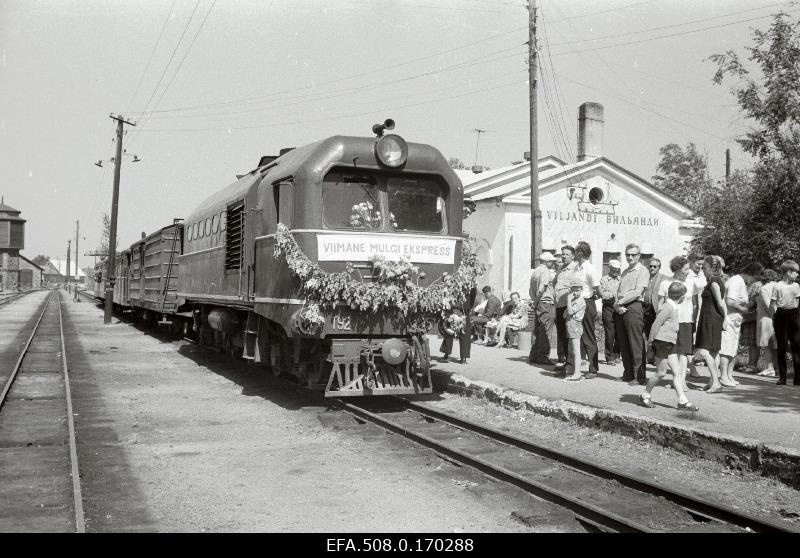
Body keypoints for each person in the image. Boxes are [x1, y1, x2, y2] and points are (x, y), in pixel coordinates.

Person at [640, 281, 699, 411]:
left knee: (677, 372)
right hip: (661, 343)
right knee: (661, 373)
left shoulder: (672, 307)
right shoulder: (667, 308)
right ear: (682, 297)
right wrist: (650, 344)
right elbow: (656, 325)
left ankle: (682, 401)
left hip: (670, 343)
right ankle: (645, 394)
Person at [657, 256, 698, 392]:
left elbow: (694, 303)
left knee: (683, 352)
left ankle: (682, 382)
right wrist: (660, 319)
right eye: (685, 269)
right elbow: (660, 303)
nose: (688, 271)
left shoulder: (691, 283)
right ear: (677, 269)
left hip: (686, 321)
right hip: (670, 322)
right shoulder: (665, 283)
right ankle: (676, 379)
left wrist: (694, 319)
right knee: (672, 351)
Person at [719, 263, 763, 387]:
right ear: (751, 274)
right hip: (729, 319)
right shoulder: (736, 282)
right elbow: (730, 301)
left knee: (733, 348)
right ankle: (723, 376)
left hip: (736, 320)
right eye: (755, 278)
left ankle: (729, 375)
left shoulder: (741, 282)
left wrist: (750, 304)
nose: (755, 281)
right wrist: (742, 309)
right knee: (726, 348)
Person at [614, 243, 650, 385]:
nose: (630, 257)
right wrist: (618, 305)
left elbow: (637, 292)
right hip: (621, 307)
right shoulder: (625, 271)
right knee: (623, 342)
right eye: (628, 254)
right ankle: (628, 373)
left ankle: (639, 376)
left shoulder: (643, 271)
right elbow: (618, 291)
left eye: (633, 255)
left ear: (639, 255)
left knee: (636, 343)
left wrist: (620, 302)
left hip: (634, 306)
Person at [694, 255, 726, 393]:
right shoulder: (714, 280)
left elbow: (720, 302)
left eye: (705, 267)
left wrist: (725, 319)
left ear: (712, 268)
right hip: (709, 317)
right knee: (714, 352)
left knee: (705, 351)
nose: (702, 269)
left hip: (711, 319)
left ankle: (716, 383)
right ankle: (712, 381)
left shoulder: (714, 282)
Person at [572, 241, 602, 378]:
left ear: (580, 253)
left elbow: (598, 290)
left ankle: (593, 369)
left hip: (587, 303)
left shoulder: (590, 269)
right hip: (576, 304)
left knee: (589, 336)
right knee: (577, 335)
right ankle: (577, 366)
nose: (574, 254)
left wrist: (590, 301)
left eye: (575, 252)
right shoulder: (577, 268)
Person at [770, 260, 800, 386]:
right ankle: (782, 377)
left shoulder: (797, 286)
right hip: (781, 315)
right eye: (795, 272)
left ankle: (797, 378)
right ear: (788, 272)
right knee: (781, 347)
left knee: (797, 347)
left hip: (794, 315)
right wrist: (775, 316)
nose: (797, 275)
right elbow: (773, 303)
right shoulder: (778, 286)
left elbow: (797, 301)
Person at [528, 252, 557, 365]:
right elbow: (541, 288)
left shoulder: (535, 271)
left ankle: (534, 355)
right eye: (552, 261)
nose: (553, 263)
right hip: (546, 303)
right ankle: (543, 356)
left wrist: (535, 301)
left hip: (539, 303)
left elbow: (531, 290)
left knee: (537, 330)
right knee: (546, 330)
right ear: (547, 262)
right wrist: (537, 301)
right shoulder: (545, 271)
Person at [643, 258, 672, 364]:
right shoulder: (645, 277)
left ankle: (657, 358)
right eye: (650, 266)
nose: (652, 268)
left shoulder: (664, 279)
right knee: (646, 334)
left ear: (659, 267)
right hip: (644, 308)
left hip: (657, 309)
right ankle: (648, 356)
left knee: (656, 333)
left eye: (654, 266)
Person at [553, 245, 577, 369]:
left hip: (567, 305)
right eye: (563, 254)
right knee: (561, 334)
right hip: (558, 305)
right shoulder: (561, 269)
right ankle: (563, 360)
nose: (564, 256)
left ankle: (570, 363)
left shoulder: (575, 269)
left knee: (568, 334)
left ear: (573, 256)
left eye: (567, 254)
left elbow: (575, 288)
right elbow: (554, 283)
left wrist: (570, 306)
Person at [439, 286, 477, 364]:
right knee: (464, 334)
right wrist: (468, 308)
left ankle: (446, 354)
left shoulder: (453, 282)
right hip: (464, 311)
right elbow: (472, 298)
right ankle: (463, 358)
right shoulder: (471, 285)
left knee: (449, 332)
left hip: (453, 309)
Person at [756, 269, 779, 377]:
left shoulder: (765, 288)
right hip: (778, 318)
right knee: (774, 345)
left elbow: (768, 305)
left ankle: (769, 369)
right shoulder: (779, 286)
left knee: (768, 345)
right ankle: (774, 368)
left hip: (767, 318)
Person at [564, 276, 587, 382]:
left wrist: (568, 300)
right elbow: (565, 314)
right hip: (570, 324)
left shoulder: (579, 301)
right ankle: (574, 370)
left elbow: (569, 312)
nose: (575, 292)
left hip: (575, 325)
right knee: (572, 350)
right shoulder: (574, 300)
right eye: (573, 290)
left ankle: (577, 374)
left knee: (576, 350)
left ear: (581, 289)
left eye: (577, 290)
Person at [599, 260, 622, 365]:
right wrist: (612, 295)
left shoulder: (621, 279)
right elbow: (603, 294)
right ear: (610, 268)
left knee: (619, 332)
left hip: (620, 306)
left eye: (618, 270)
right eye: (614, 269)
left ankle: (617, 354)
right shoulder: (603, 279)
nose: (616, 271)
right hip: (608, 307)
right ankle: (609, 356)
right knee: (610, 333)